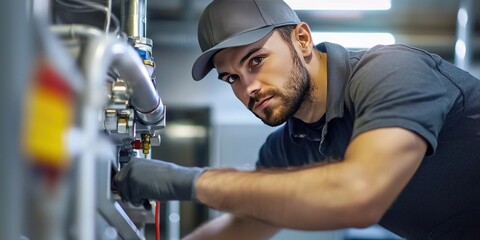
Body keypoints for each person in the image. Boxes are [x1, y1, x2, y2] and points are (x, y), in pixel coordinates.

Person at [114, 0, 480, 239]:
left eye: (256, 60)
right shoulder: (290, 146)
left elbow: (359, 193)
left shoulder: (391, 72)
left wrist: (190, 182)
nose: (248, 88)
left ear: (302, 39)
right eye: (232, 79)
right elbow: (248, 222)